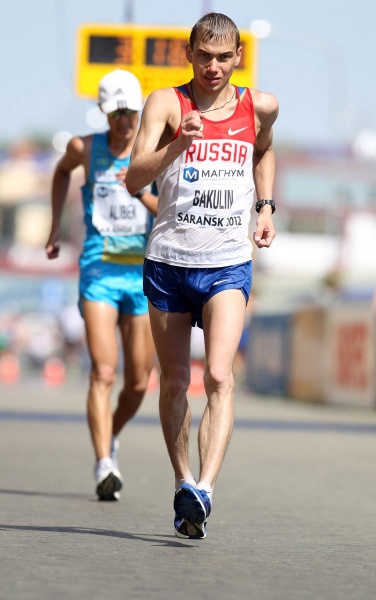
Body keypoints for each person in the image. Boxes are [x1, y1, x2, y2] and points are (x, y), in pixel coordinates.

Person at [125, 12, 279, 538]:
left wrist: (265, 207)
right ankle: (183, 480)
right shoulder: (167, 104)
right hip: (169, 261)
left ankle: (205, 490)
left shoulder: (260, 106)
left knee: (217, 376)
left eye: (224, 57)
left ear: (238, 57)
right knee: (173, 381)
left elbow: (263, 149)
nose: (214, 67)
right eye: (204, 56)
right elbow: (133, 179)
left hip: (226, 262)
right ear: (188, 54)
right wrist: (177, 145)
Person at [45, 69, 157, 501]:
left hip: (141, 274)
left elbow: (168, 202)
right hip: (99, 271)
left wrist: (141, 192)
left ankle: (110, 434)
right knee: (104, 371)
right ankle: (104, 464)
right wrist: (55, 225)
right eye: (115, 114)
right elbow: (61, 173)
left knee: (138, 382)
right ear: (103, 112)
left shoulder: (153, 150)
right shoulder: (84, 148)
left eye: (130, 113)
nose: (124, 121)